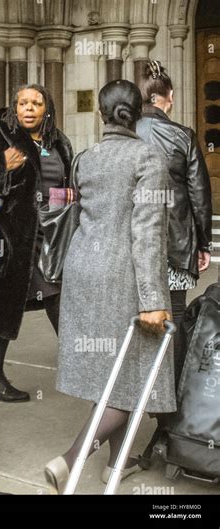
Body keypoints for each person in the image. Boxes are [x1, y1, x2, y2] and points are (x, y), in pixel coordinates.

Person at [44, 80, 175, 493]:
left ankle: (116, 465)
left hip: (83, 272)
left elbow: (72, 211)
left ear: (102, 113)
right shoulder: (148, 157)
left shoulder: (85, 158)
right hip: (124, 277)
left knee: (110, 372)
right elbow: (148, 233)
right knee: (138, 377)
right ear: (138, 111)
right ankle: (71, 459)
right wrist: (154, 299)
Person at [0, 84, 73, 402]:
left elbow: (62, 185)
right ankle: (86, 367)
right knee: (50, 295)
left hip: (52, 235)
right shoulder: (0, 134)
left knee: (11, 303)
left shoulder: (58, 141)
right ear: (15, 108)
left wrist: (67, 201)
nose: (28, 108)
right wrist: (1, 165)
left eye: (36, 103)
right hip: (13, 236)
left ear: (46, 109)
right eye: (22, 103)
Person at [136, 60, 212, 390]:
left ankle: (142, 385)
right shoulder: (183, 135)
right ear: (170, 96)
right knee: (175, 316)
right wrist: (203, 243)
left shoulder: (127, 133)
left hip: (138, 241)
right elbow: (199, 193)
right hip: (176, 240)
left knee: (141, 313)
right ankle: (172, 393)